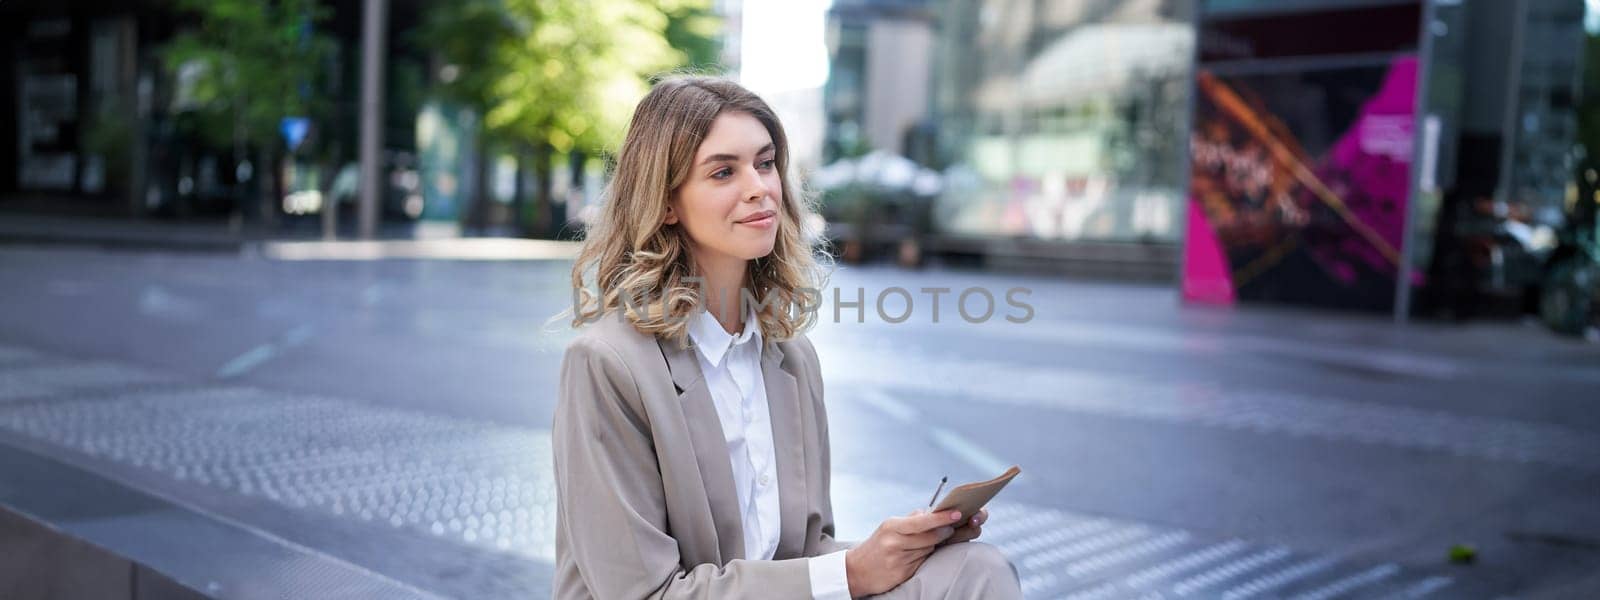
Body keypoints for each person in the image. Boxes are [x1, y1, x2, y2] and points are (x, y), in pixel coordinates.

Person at [552, 75, 1022, 599]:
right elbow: (643, 593)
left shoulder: (791, 359)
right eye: (724, 171)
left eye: (766, 162)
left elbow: (801, 553)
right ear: (665, 202)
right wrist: (851, 573)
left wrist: (900, 548)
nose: (760, 187)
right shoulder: (607, 364)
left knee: (976, 569)